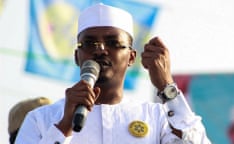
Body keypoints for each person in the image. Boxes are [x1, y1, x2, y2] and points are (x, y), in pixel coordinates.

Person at [15, 3, 211, 144]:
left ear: (131, 57)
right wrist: (65, 125)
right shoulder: (41, 119)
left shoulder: (157, 117)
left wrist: (167, 87)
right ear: (77, 56)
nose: (100, 50)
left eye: (113, 43)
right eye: (90, 43)